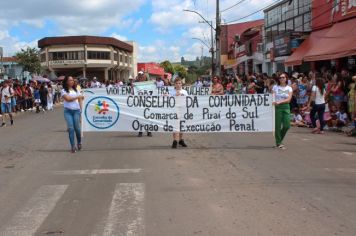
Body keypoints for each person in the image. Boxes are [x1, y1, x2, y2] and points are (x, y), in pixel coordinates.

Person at [61, 76, 84, 153]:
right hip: (68, 111)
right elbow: (68, 99)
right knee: (71, 128)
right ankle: (72, 146)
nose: (72, 81)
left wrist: (81, 111)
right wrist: (78, 96)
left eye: (72, 80)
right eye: (70, 80)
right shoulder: (63, 91)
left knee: (77, 128)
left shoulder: (76, 90)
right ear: (66, 82)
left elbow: (80, 100)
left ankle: (79, 142)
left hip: (76, 111)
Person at [272, 72, 293, 149]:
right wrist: (274, 102)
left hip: (286, 107)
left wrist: (280, 101)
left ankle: (279, 139)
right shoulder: (275, 87)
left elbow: (289, 99)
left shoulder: (289, 88)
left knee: (287, 125)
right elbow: (273, 96)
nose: (282, 79)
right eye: (280, 77)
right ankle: (279, 142)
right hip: (277, 107)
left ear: (286, 78)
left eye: (283, 77)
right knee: (277, 126)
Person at [170, 78, 188, 148]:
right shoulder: (171, 92)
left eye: (179, 83)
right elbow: (168, 100)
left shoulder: (185, 92)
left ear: (181, 84)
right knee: (175, 125)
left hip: (183, 110)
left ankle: (180, 139)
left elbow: (188, 101)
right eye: (177, 83)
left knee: (182, 125)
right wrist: (174, 95)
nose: (178, 85)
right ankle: (175, 140)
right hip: (175, 110)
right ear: (174, 84)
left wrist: (182, 96)